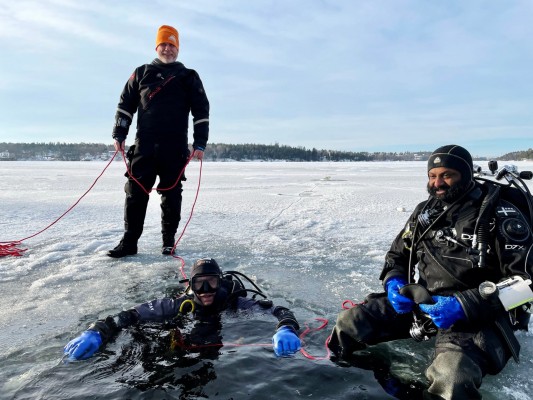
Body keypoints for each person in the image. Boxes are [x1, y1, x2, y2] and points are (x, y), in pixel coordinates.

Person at [327, 144, 533, 399]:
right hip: (422, 304)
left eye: (447, 175)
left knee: (451, 377)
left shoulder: (500, 216)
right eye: (432, 176)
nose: (438, 183)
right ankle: (345, 385)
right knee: (350, 323)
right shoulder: (424, 212)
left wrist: (462, 304)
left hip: (477, 315)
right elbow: (396, 256)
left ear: (466, 175)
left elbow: (527, 283)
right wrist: (394, 283)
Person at [64, 258, 301, 360]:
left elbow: (279, 311)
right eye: (199, 284)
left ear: (220, 282)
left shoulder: (233, 301)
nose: (206, 290)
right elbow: (130, 315)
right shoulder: (177, 304)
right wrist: (98, 330)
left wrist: (286, 328)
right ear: (191, 286)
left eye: (212, 282)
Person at [107, 24, 210, 258]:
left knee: (171, 194)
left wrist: (200, 143)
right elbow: (125, 105)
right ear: (156, 46)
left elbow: (201, 111)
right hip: (144, 145)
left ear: (178, 49)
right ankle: (129, 242)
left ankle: (168, 242)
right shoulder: (142, 73)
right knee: (135, 192)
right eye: (164, 44)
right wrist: (119, 134)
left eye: (172, 45)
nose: (168, 49)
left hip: (174, 147)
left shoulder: (188, 76)